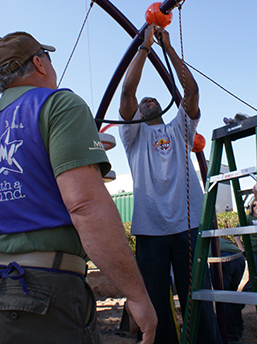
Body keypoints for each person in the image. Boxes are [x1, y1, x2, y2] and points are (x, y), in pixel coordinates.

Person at [0, 31, 157, 344]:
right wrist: (137, 296)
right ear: (39, 63)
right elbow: (86, 206)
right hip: (45, 295)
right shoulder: (59, 105)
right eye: (48, 57)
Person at [118, 24, 222, 343]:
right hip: (149, 229)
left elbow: (191, 94)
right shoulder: (133, 135)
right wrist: (145, 47)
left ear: (163, 107)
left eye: (152, 99)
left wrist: (167, 47)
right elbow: (126, 93)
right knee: (155, 303)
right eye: (143, 100)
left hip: (186, 225)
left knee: (198, 299)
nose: (147, 100)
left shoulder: (180, 130)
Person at [211, 238, 245, 343]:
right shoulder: (220, 238)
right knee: (232, 295)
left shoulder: (198, 238)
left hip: (222, 258)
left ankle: (229, 335)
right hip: (239, 259)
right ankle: (238, 330)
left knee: (223, 298)